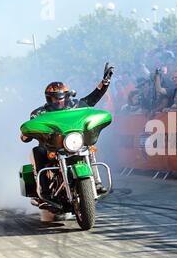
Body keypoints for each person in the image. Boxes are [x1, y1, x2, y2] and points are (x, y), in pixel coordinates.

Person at [21, 63, 114, 199]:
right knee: (38, 151)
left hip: (72, 142)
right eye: (55, 98)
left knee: (89, 147)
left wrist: (105, 83)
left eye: (61, 97)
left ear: (66, 96)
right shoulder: (39, 113)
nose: (59, 100)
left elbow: (94, 97)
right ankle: (44, 188)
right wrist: (26, 134)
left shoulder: (76, 106)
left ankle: (97, 182)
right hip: (51, 147)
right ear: (49, 98)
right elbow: (31, 126)